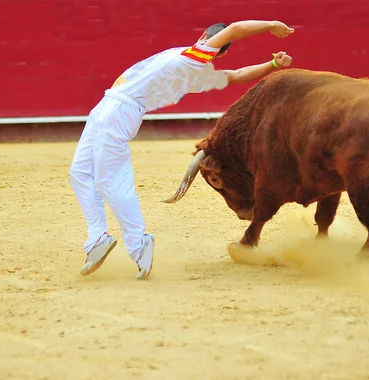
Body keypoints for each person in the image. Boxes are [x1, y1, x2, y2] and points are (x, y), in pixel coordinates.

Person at [69, 20, 294, 280]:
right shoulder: (191, 63)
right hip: (109, 108)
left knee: (111, 179)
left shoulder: (191, 60)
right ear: (222, 53)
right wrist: (273, 62)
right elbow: (236, 74)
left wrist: (272, 27)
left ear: (208, 42)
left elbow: (233, 35)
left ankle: (139, 242)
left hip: (117, 110)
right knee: (81, 173)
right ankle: (97, 237)